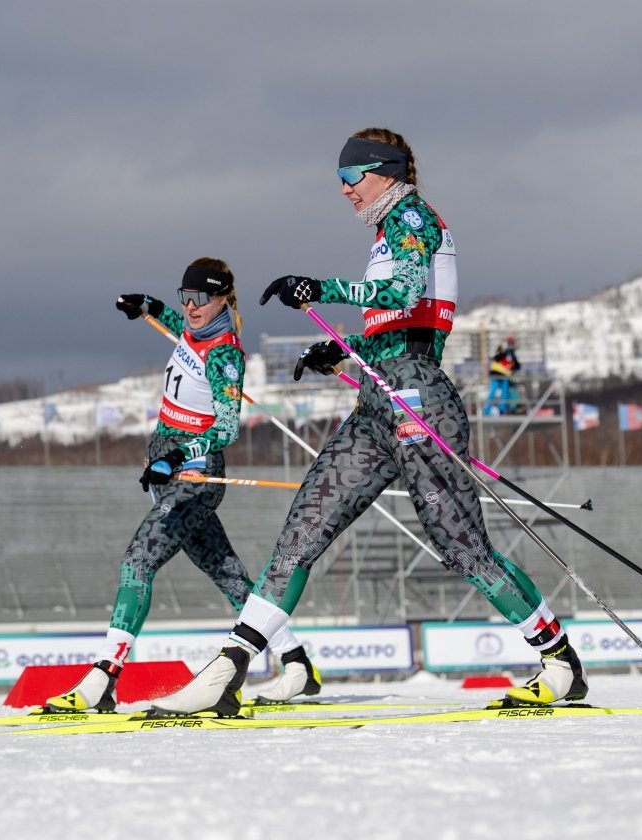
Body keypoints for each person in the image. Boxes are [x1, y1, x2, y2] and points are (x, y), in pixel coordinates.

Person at [153, 130, 586, 716]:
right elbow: (392, 329)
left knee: (461, 545)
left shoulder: (413, 218)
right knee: (303, 527)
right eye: (340, 181)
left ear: (384, 172)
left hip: (419, 402)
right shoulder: (388, 230)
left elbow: (405, 298)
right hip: (378, 404)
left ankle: (559, 661)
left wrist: (320, 288)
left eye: (351, 178)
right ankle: (229, 669)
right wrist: (345, 353)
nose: (345, 191)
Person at [43, 258, 320, 712]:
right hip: (168, 469)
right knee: (229, 575)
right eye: (184, 297)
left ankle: (103, 677)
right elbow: (181, 327)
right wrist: (149, 306)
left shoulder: (226, 355)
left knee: (138, 560)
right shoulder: (195, 329)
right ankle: (295, 661)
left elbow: (228, 427)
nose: (190, 308)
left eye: (201, 299)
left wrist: (177, 455)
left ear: (222, 299)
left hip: (195, 475)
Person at [485, 335, 521, 415]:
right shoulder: (502, 348)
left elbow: (517, 366)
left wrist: (513, 358)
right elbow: (497, 358)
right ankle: (486, 410)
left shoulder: (512, 354)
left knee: (505, 394)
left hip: (505, 377)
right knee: (493, 392)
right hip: (496, 375)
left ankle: (502, 410)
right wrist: (506, 351)